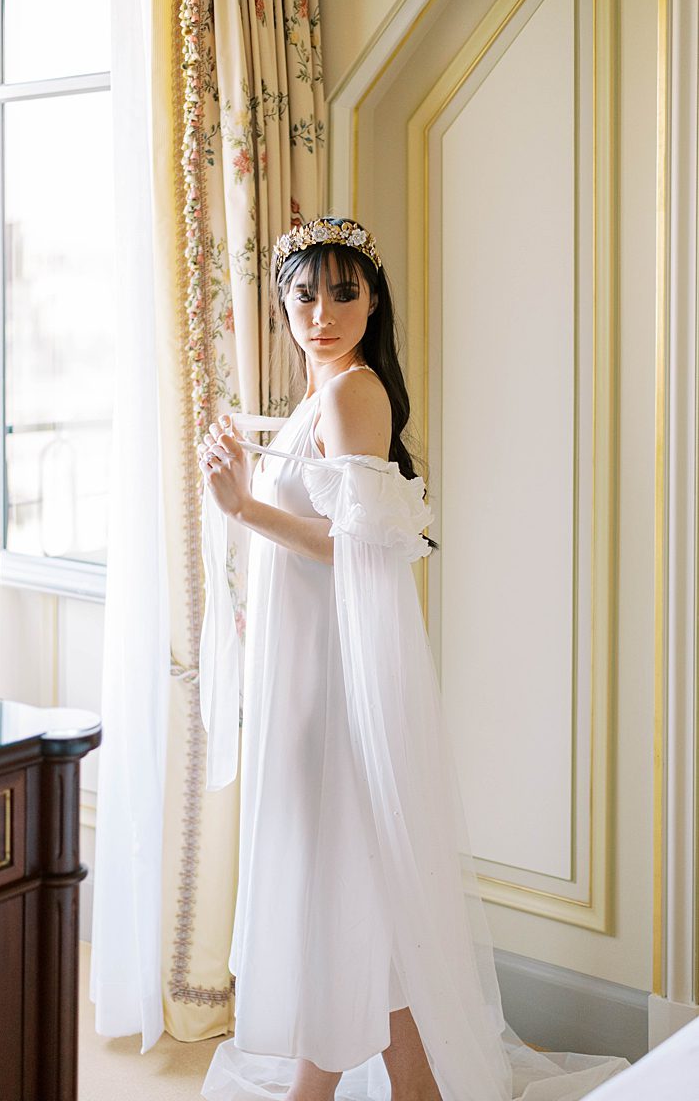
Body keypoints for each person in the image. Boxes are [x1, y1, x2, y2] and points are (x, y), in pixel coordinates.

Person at [193, 217, 629, 1101]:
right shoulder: (319, 400)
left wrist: (243, 507)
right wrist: (240, 486)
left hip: (339, 683)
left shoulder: (355, 393)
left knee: (347, 885)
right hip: (309, 673)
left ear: (373, 299)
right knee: (360, 900)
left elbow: (358, 548)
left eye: (343, 291)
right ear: (281, 302)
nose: (322, 311)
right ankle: (411, 1088)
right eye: (305, 293)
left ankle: (371, 1090)